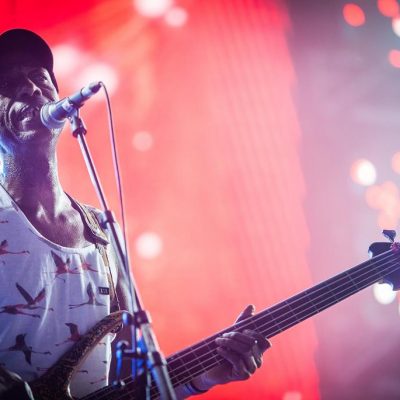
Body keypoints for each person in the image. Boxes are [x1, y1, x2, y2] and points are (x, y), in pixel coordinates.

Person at [0, 28, 270, 399]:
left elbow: (132, 382)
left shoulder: (102, 234)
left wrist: (203, 376)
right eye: (9, 83)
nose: (30, 88)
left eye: (39, 77)